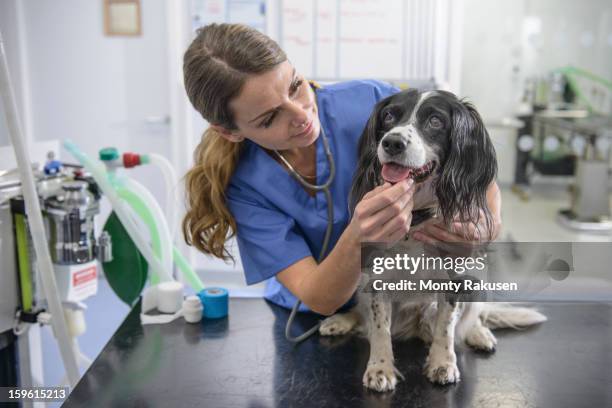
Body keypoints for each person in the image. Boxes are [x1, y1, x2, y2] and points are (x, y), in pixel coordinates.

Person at [182, 23, 501, 316]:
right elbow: (319, 297)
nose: (302, 115)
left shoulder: (372, 101)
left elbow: (469, 163)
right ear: (230, 131)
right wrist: (358, 238)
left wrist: (486, 225)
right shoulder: (245, 186)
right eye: (269, 118)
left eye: (295, 85)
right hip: (311, 318)